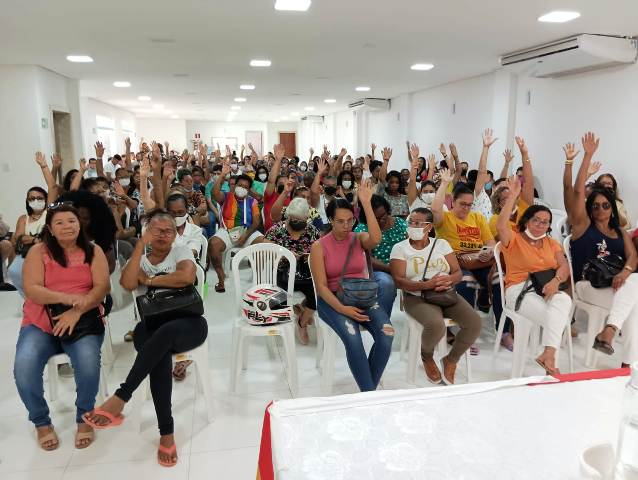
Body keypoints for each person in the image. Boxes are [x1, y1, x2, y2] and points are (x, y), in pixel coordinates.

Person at [83, 210, 208, 467]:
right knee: (159, 352)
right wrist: (140, 246)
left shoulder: (180, 251)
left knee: (164, 336)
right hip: (149, 327)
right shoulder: (139, 256)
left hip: (189, 323)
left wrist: (149, 279)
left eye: (169, 231)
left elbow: (186, 276)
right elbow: (128, 282)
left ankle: (122, 396)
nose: (163, 235)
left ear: (175, 234)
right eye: (156, 230)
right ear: (147, 232)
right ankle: (167, 433)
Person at [14, 203, 110, 450]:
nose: (67, 226)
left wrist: (76, 311)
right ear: (50, 229)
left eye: (71, 221)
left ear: (80, 224)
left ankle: (84, 416)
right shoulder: (38, 252)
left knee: (88, 364)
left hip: (83, 319)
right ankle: (41, 422)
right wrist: (67, 300)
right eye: (59, 223)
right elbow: (33, 289)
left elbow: (101, 288)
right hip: (41, 322)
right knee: (24, 369)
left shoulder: (93, 250)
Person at [309, 181, 394, 392]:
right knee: (354, 340)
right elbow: (321, 287)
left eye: (350, 221)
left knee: (387, 335)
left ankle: (367, 392)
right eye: (340, 221)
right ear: (330, 220)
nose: (346, 226)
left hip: (363, 297)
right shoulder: (319, 247)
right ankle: (369, 395)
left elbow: (376, 238)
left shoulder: (358, 238)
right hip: (333, 301)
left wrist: (366, 203)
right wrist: (343, 309)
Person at [565, 133, 638, 367]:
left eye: (605, 205)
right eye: (595, 206)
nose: (600, 209)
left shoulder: (619, 231)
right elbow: (576, 192)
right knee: (634, 292)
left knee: (633, 292)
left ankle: (620, 352)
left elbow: (633, 256)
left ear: (613, 207)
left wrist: (624, 272)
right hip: (587, 284)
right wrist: (587, 156)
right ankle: (618, 347)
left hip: (616, 283)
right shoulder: (583, 226)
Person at [390, 208, 481, 384]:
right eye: (411, 222)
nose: (413, 226)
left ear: (429, 227)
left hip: (445, 293)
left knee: (474, 323)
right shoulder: (400, 248)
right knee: (435, 325)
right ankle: (427, 356)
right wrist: (426, 285)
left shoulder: (441, 244)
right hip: (416, 296)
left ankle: (451, 360)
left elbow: (457, 273)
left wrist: (448, 279)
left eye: (418, 223)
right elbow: (399, 281)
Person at [497, 176, 572, 374]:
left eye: (545, 222)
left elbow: (564, 266)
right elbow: (500, 226)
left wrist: (556, 281)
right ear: (527, 221)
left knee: (563, 301)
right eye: (536, 220)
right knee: (554, 317)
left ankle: (547, 354)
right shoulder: (514, 238)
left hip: (547, 287)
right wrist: (513, 196)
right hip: (518, 290)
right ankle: (550, 358)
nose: (540, 225)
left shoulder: (552, 243)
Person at [432, 168, 499, 352]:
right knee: (466, 281)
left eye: (470, 205)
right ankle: (465, 333)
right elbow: (435, 209)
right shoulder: (445, 218)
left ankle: (504, 329)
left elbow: (491, 242)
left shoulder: (477, 218)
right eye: (462, 204)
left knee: (498, 279)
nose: (466, 208)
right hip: (454, 263)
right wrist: (444, 184)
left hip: (479, 260)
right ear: (452, 202)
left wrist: (488, 251)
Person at [264, 198, 321, 345]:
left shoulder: (312, 230)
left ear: (307, 218)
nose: (297, 222)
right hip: (282, 273)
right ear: (288, 215)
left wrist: (308, 256)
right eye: (293, 219)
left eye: (301, 219)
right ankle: (282, 327)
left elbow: (321, 251)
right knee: (277, 301)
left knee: (318, 295)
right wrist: (284, 253)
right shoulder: (277, 229)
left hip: (305, 273)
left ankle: (302, 321)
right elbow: (264, 247)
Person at [208, 162, 264, 293]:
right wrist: (222, 175)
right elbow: (214, 192)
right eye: (240, 185)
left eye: (245, 187)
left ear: (249, 189)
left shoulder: (252, 201)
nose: (242, 188)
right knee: (213, 245)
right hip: (227, 231)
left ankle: (258, 279)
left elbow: (256, 222)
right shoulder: (226, 197)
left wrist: (246, 235)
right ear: (235, 186)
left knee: (264, 244)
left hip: (247, 231)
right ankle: (221, 277)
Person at [354, 195, 407, 316]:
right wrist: (390, 269)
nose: (382, 220)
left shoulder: (399, 223)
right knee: (386, 283)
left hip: (403, 266)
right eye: (376, 218)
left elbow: (410, 244)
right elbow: (364, 257)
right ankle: (382, 322)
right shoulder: (363, 228)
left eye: (384, 215)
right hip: (379, 269)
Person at [2, 186, 48, 296]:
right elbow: (19, 237)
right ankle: (29, 299)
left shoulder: (50, 214)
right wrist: (35, 239)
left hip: (47, 252)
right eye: (31, 199)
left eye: (39, 198)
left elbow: (53, 188)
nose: (35, 201)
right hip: (27, 253)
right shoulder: (24, 218)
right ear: (27, 201)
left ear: (46, 199)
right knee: (14, 270)